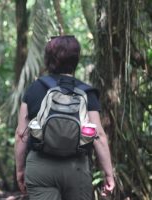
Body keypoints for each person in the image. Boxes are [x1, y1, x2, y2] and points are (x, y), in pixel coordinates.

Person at [15, 35, 115, 200]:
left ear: (48, 59)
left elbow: (21, 135)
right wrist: (109, 174)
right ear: (76, 60)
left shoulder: (34, 89)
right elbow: (99, 137)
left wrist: (20, 170)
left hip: (40, 166)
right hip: (77, 168)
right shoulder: (87, 93)